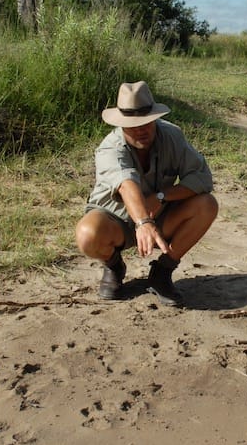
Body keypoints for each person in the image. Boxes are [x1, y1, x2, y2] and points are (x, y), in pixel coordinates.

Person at [74, 81, 219, 307]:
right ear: (121, 124)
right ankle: (113, 266)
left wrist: (162, 196)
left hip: (159, 216)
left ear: (154, 118)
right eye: (132, 125)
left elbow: (202, 178)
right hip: (116, 221)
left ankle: (162, 272)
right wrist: (143, 221)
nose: (141, 129)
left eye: (146, 123)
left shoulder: (171, 135)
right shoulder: (110, 148)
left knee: (207, 205)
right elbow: (126, 184)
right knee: (87, 234)